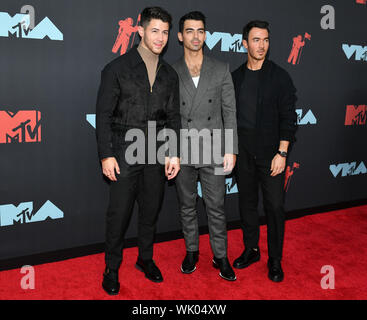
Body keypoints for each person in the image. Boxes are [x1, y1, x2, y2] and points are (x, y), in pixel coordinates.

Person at [96, 7, 181, 295]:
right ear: (141, 31)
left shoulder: (170, 74)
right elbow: (104, 115)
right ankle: (111, 267)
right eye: (155, 30)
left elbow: (173, 118)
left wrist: (173, 152)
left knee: (150, 211)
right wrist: (106, 155)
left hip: (157, 154)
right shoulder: (117, 68)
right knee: (119, 214)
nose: (160, 37)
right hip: (123, 153)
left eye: (165, 32)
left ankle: (145, 259)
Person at [172, 11, 238, 281]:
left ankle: (220, 256)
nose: (195, 36)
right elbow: (167, 116)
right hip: (182, 150)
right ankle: (191, 251)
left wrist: (231, 149)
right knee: (187, 205)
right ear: (180, 36)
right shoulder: (171, 71)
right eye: (190, 31)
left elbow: (229, 111)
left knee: (216, 206)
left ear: (205, 35)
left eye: (200, 31)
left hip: (213, 149)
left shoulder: (221, 68)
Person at [231, 20, 297, 282]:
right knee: (246, 204)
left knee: (274, 207)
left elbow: (288, 119)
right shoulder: (235, 77)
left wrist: (282, 154)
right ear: (244, 43)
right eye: (256, 40)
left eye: (266, 40)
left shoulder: (280, 77)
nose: (262, 45)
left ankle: (275, 260)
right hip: (243, 153)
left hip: (271, 155)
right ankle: (251, 250)